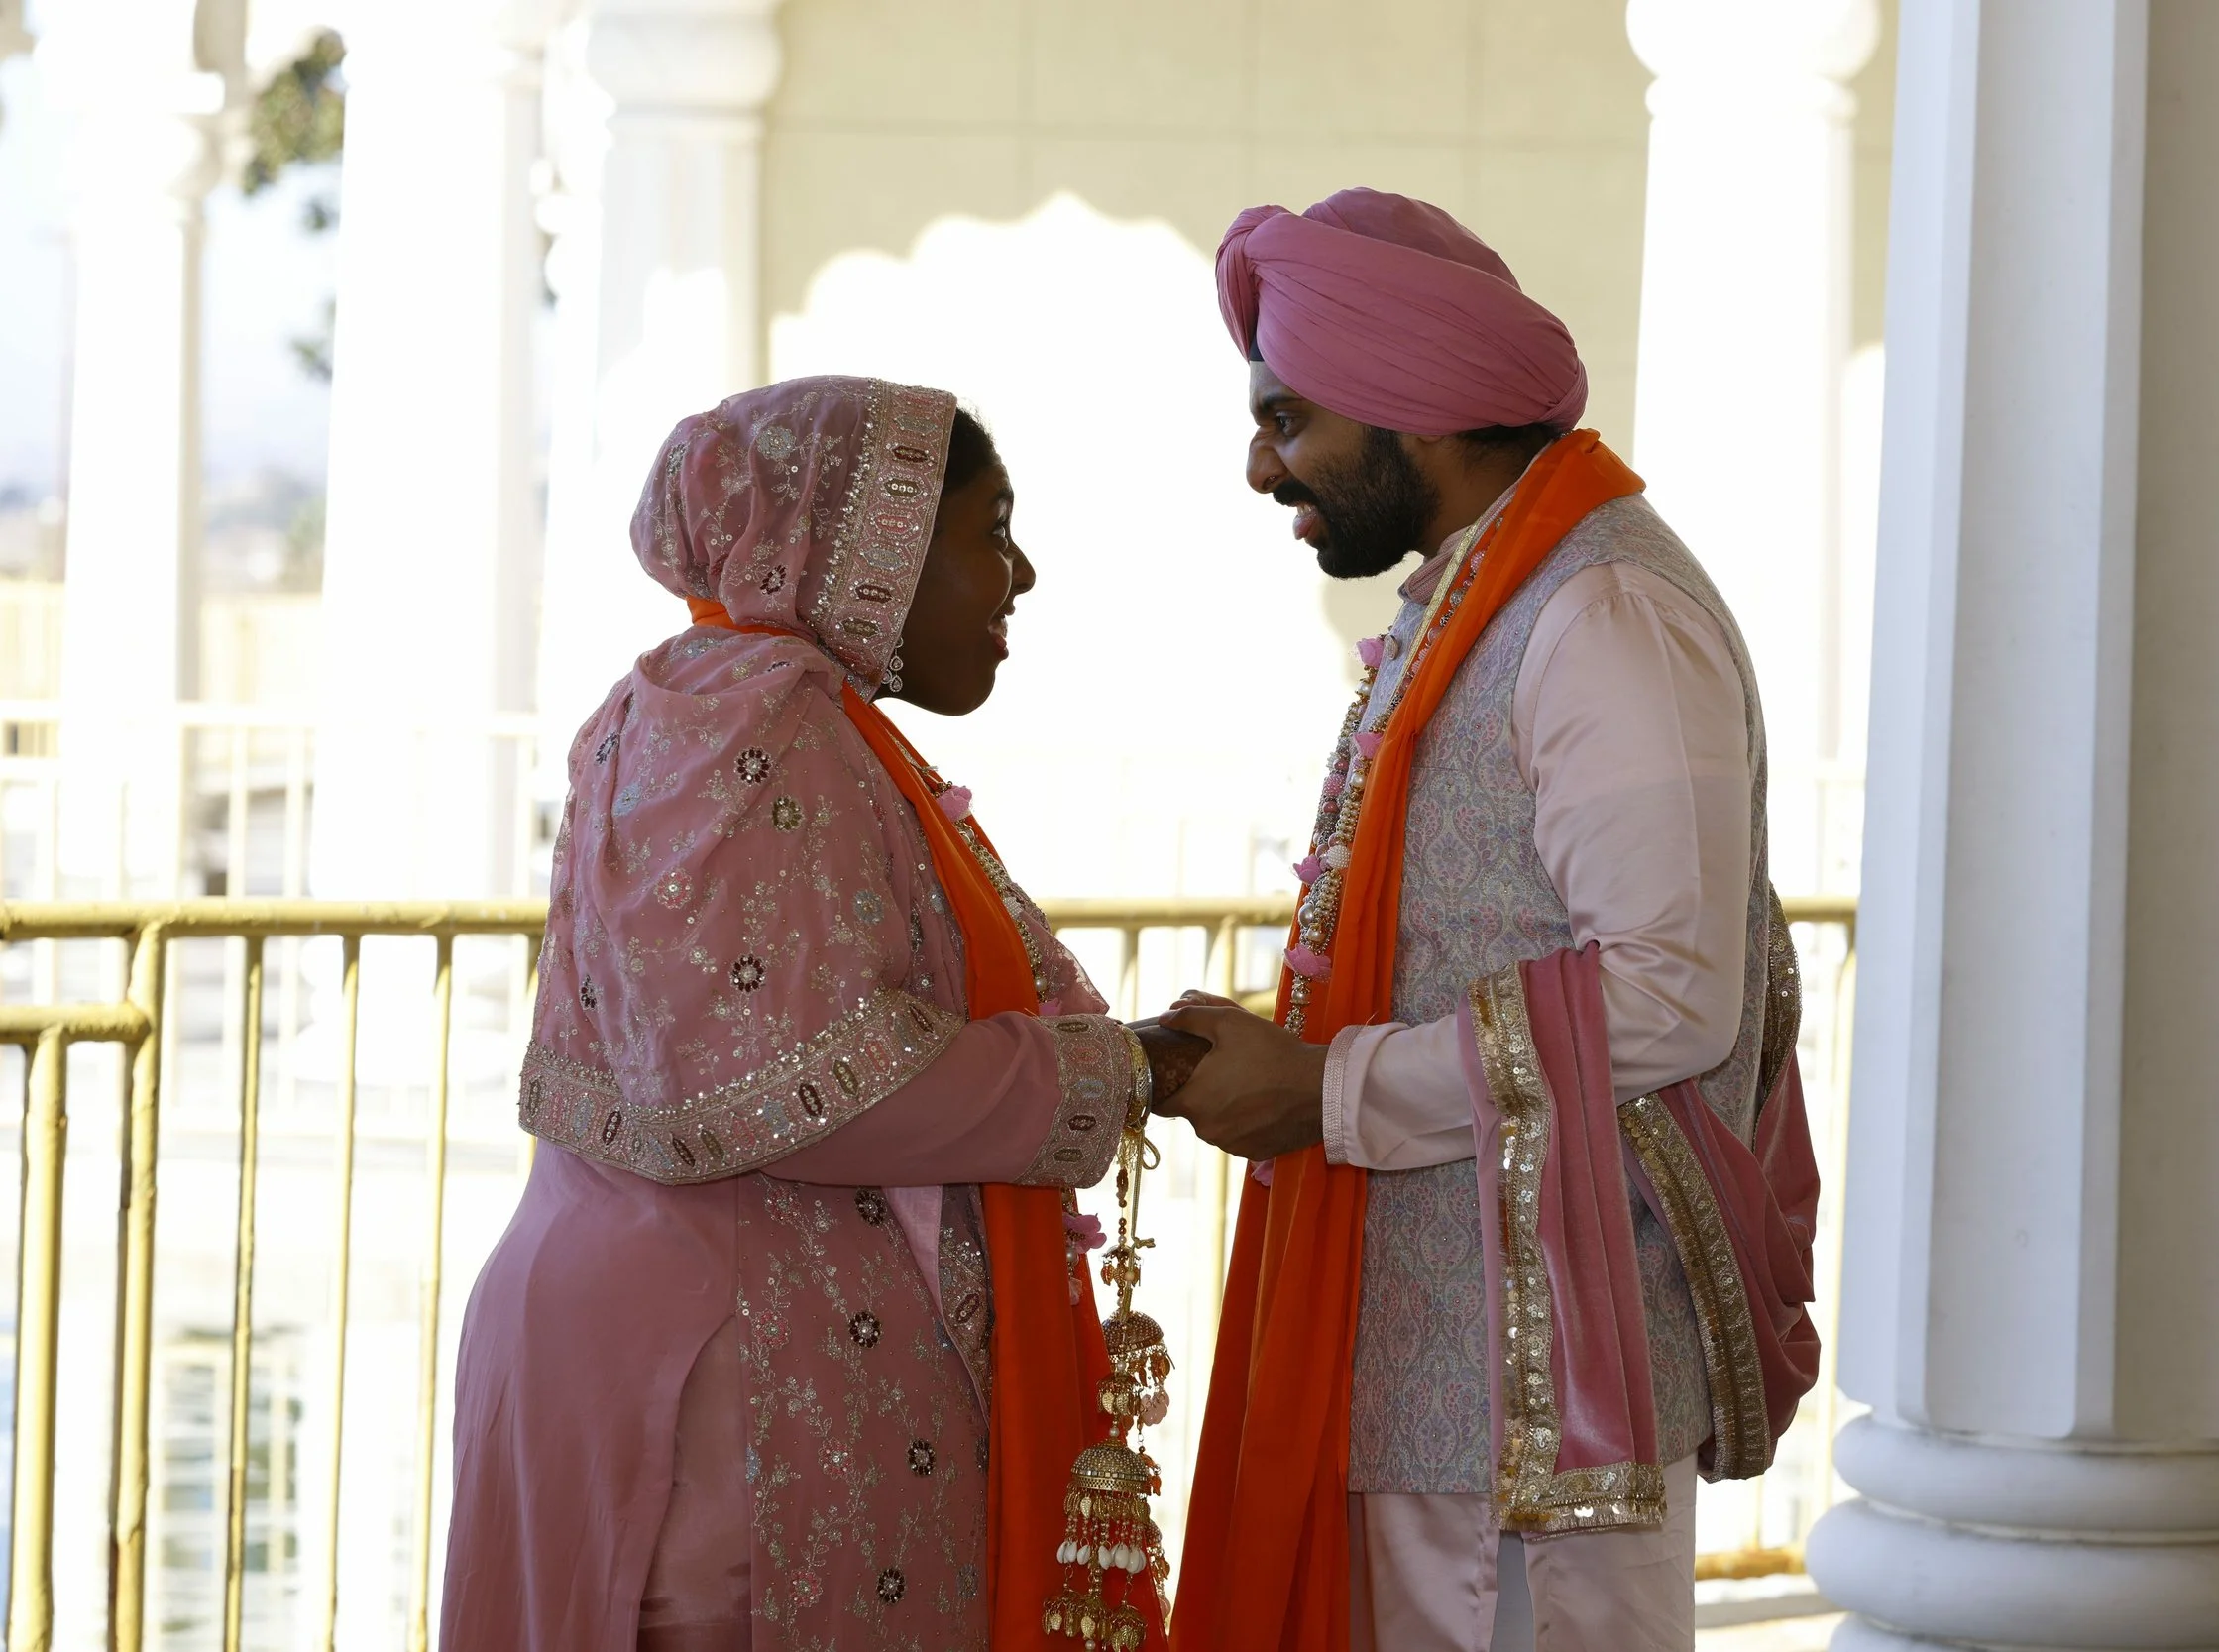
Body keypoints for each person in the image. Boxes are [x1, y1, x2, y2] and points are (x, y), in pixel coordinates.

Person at [1154, 190, 1823, 1651]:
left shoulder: (1601, 613)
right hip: (1433, 1353)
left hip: (1540, 1400)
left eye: (1292, 418)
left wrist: (1324, 1086)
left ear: (1419, 408)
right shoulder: (1484, 596)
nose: (1263, 464)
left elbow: (1668, 990)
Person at [441, 376, 1189, 1652]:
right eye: (987, 529)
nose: (1020, 576)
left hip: (633, 1330)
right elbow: (816, 1081)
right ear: (873, 538)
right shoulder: (768, 719)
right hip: (730, 1384)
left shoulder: (669, 700)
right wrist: (1127, 1072)